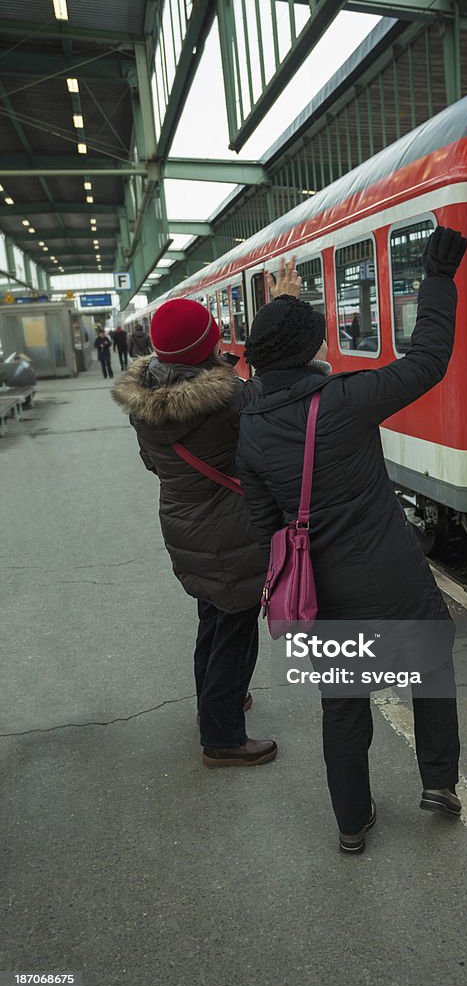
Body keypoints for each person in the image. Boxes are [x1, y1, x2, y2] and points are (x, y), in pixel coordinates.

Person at [237, 227, 467, 853]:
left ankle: (351, 823)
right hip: (392, 572)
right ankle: (439, 782)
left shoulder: (251, 430)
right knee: (433, 666)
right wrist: (438, 277)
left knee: (343, 706)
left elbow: (265, 525)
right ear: (314, 348)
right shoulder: (348, 399)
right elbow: (428, 359)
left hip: (322, 592)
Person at [111, 261, 300, 767]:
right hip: (230, 532)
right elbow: (279, 388)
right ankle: (222, 738)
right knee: (235, 632)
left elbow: (154, 464)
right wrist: (281, 306)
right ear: (205, 349)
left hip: (184, 522)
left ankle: (216, 704)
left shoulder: (145, 401)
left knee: (212, 619)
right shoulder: (229, 400)